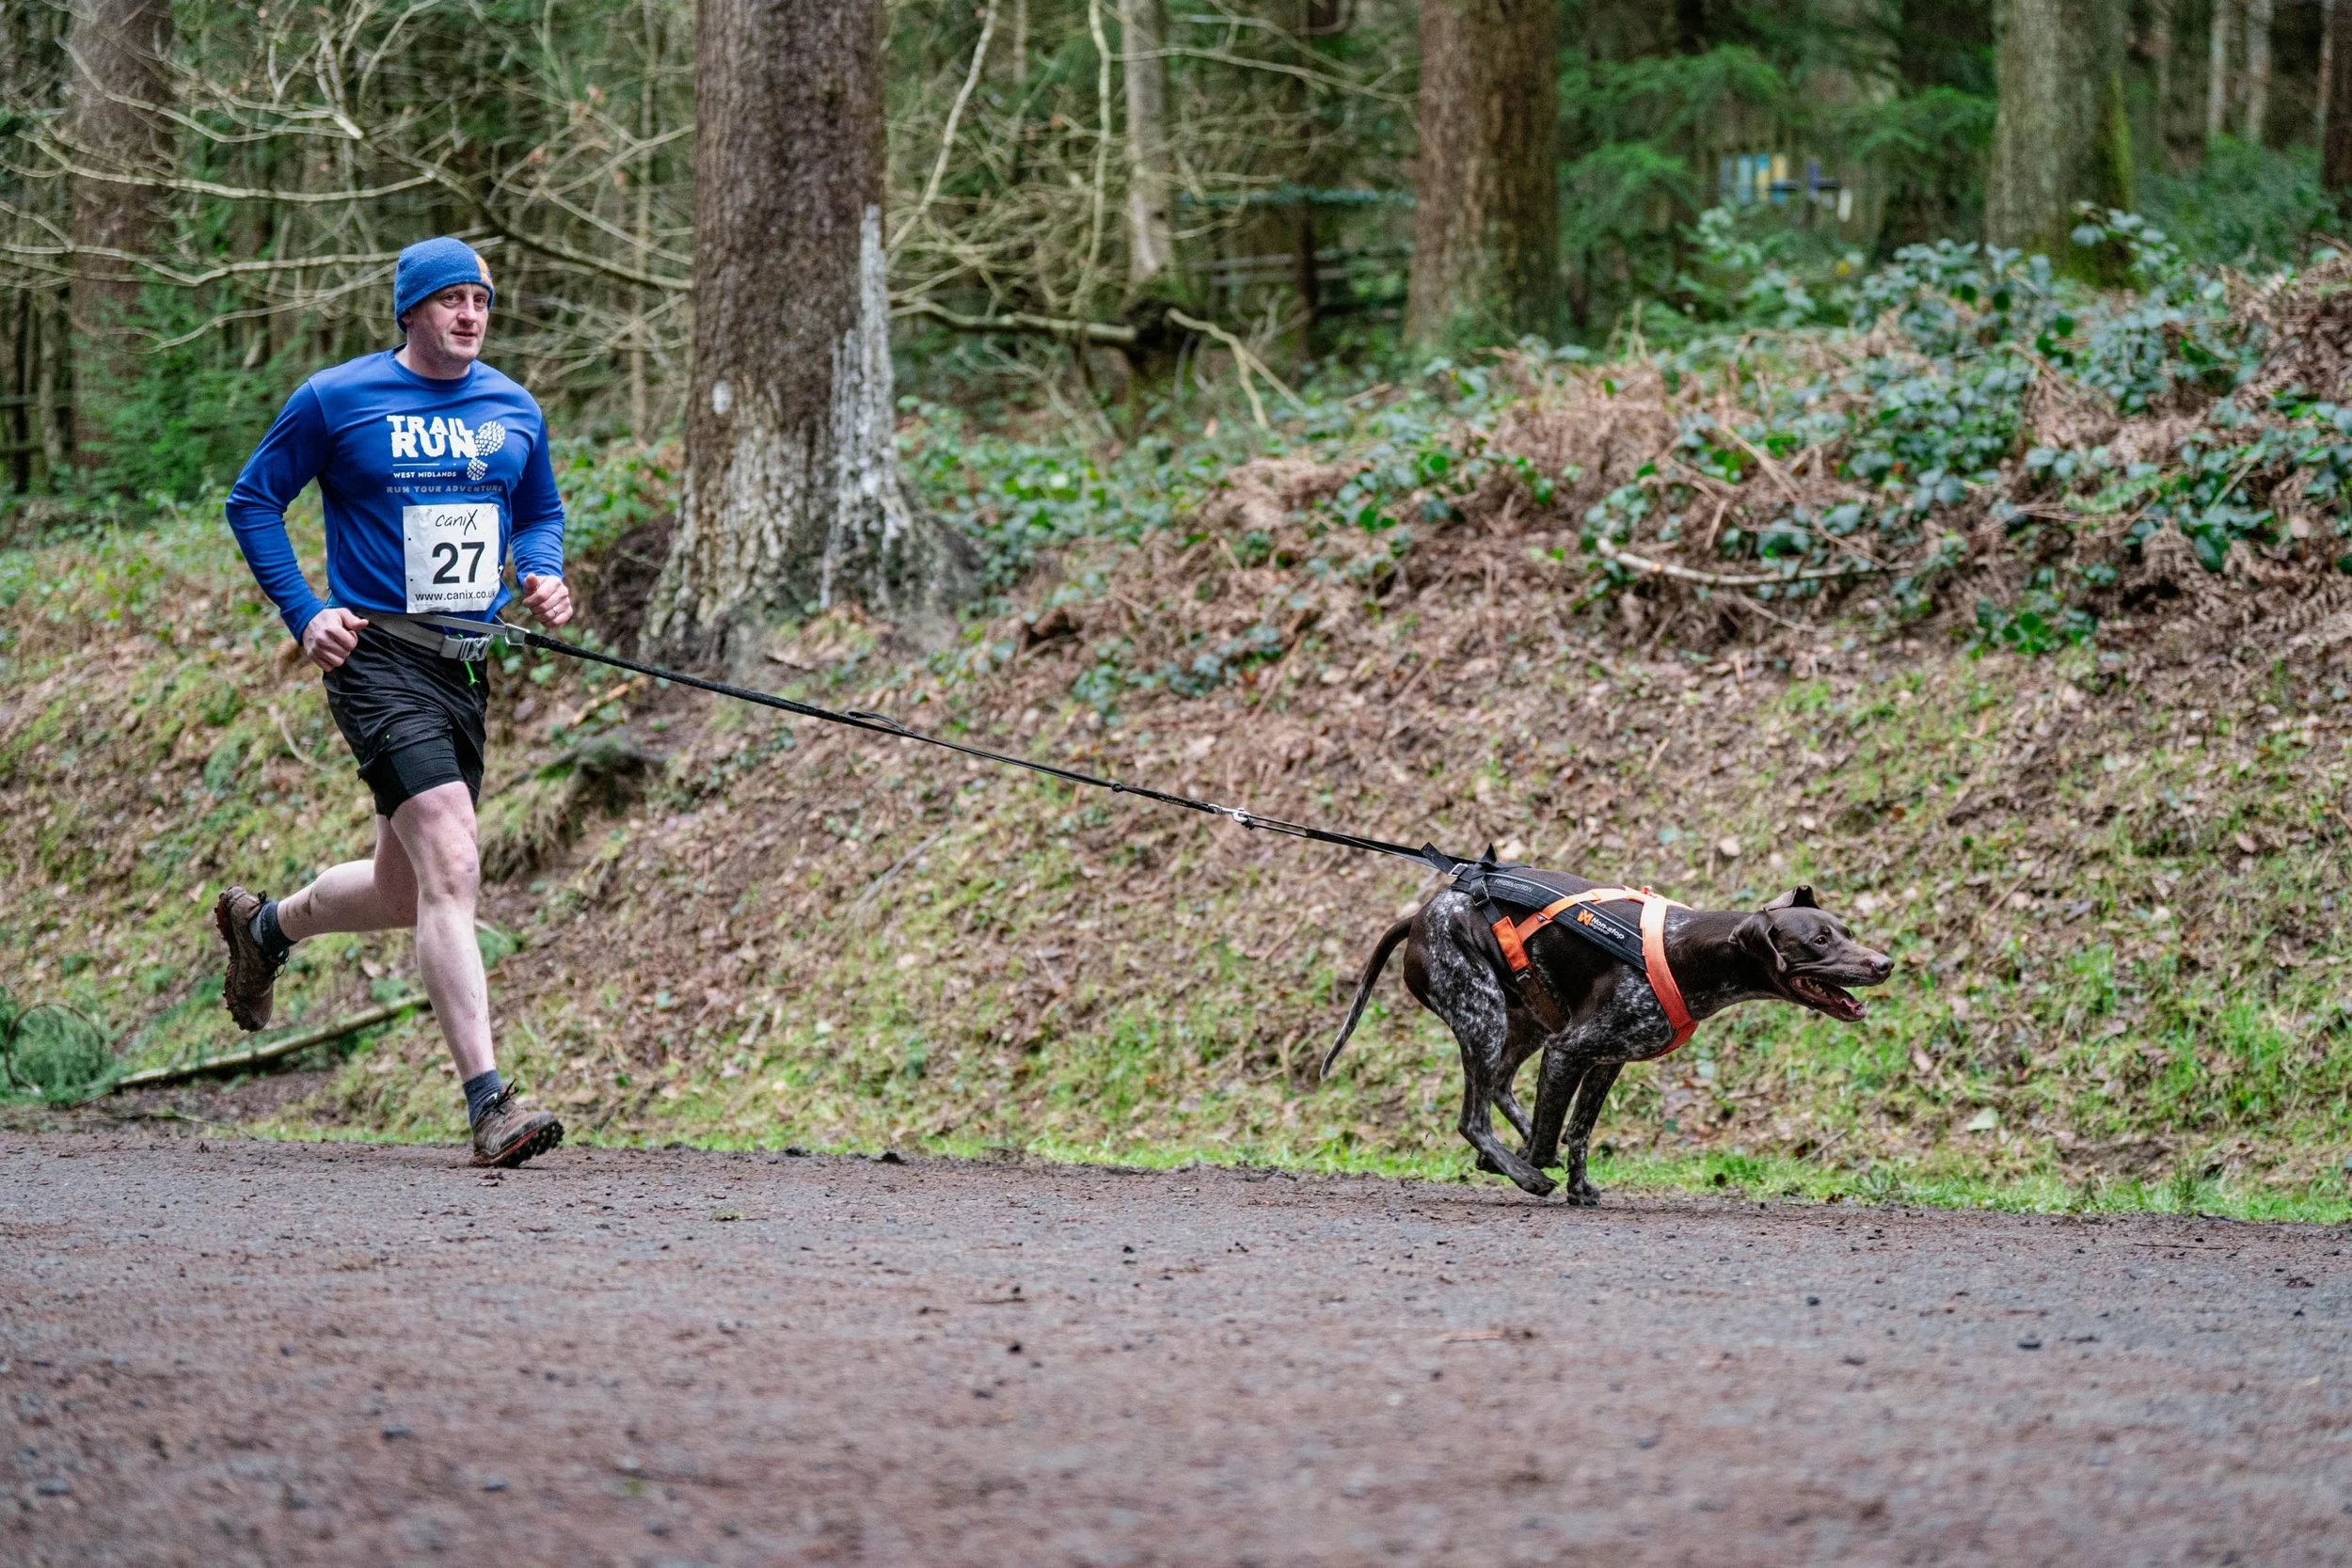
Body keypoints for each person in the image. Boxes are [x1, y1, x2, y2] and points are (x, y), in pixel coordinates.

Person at [214, 236, 569, 1167]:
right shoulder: (339, 398)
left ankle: (265, 927)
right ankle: (489, 1103)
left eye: (480, 300)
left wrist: (541, 570)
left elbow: (538, 509)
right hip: (374, 657)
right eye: (449, 299)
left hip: (463, 662)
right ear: (409, 309)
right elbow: (253, 501)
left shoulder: (511, 406)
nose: (468, 315)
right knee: (454, 857)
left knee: (403, 886)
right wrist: (305, 613)